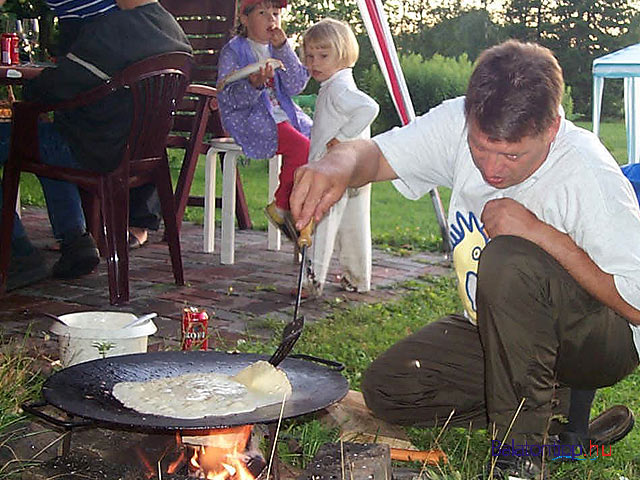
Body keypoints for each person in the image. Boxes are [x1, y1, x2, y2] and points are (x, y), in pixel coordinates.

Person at [290, 40, 640, 479]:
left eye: (512, 154)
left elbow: (636, 306)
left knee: (509, 257)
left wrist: (539, 233)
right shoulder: (459, 123)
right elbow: (377, 155)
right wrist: (336, 164)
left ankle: (520, 455)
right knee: (390, 388)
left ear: (551, 129)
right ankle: (557, 410)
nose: (492, 170)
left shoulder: (588, 174)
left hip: (602, 340)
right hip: (504, 332)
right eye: (481, 147)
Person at [1, 0, 191, 287]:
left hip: (92, 150)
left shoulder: (111, 31)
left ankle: (17, 252)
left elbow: (56, 86)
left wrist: (30, 88)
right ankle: (75, 241)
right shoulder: (175, 33)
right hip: (138, 151)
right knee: (43, 134)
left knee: (36, 137)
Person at [217, 0, 311, 243]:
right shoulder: (234, 50)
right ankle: (281, 206)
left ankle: (305, 218)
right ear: (244, 19)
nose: (272, 19)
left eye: (276, 13)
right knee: (302, 147)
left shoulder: (278, 49)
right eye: (262, 13)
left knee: (322, 141)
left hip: (286, 116)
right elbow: (227, 95)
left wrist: (284, 50)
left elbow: (296, 85)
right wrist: (253, 85)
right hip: (251, 119)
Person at [300, 18, 378, 296]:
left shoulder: (339, 88)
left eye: (323, 56)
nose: (314, 63)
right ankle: (358, 278)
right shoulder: (337, 84)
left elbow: (369, 108)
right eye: (310, 56)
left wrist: (341, 139)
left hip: (337, 169)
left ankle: (313, 279)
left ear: (344, 54)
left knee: (322, 220)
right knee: (353, 224)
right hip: (358, 166)